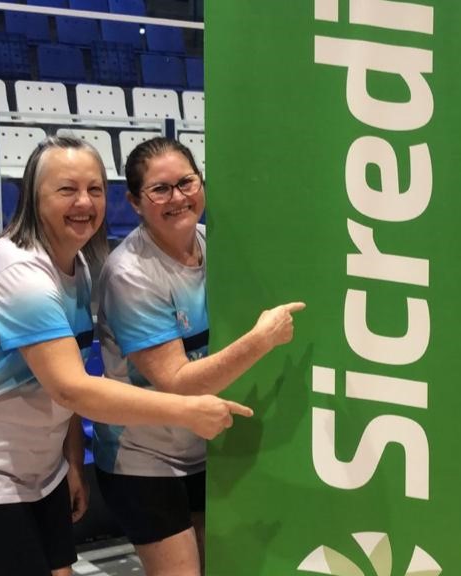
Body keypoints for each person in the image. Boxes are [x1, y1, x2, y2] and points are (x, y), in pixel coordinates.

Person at [0, 136, 255, 576]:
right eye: (67, 189)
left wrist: (70, 462)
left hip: (37, 469)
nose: (84, 202)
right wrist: (187, 410)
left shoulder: (77, 266)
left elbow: (67, 380)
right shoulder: (20, 276)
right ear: (34, 197)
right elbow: (73, 388)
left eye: (95, 189)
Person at [94, 137, 305, 576]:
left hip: (206, 450)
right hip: (143, 459)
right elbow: (177, 382)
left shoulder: (216, 245)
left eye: (186, 182)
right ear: (134, 202)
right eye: (160, 189)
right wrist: (261, 340)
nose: (177, 197)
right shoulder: (130, 274)